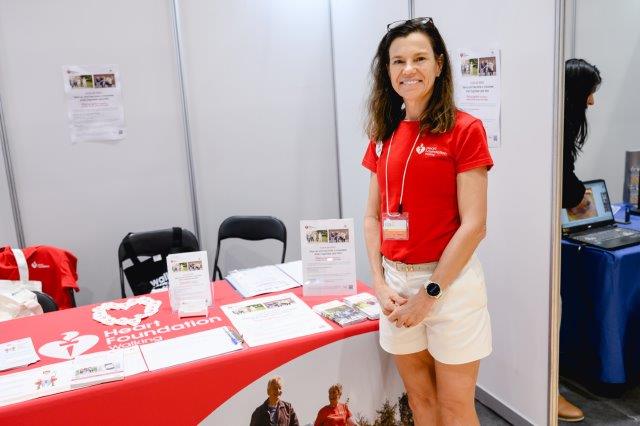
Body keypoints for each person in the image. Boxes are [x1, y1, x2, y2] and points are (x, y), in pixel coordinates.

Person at [362, 17, 493, 425]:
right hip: (396, 286)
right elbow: (372, 217)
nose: (409, 69)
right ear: (387, 70)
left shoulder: (465, 129)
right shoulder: (383, 133)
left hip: (449, 286)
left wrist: (430, 293)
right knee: (420, 402)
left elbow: (475, 225)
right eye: (398, 61)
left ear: (439, 64)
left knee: (455, 408)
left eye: (419, 58)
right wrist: (379, 283)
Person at [558, 58, 602, 423]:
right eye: (590, 92)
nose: (592, 101)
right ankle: (546, 390)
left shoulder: (561, 122)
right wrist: (577, 196)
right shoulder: (559, 126)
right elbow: (562, 181)